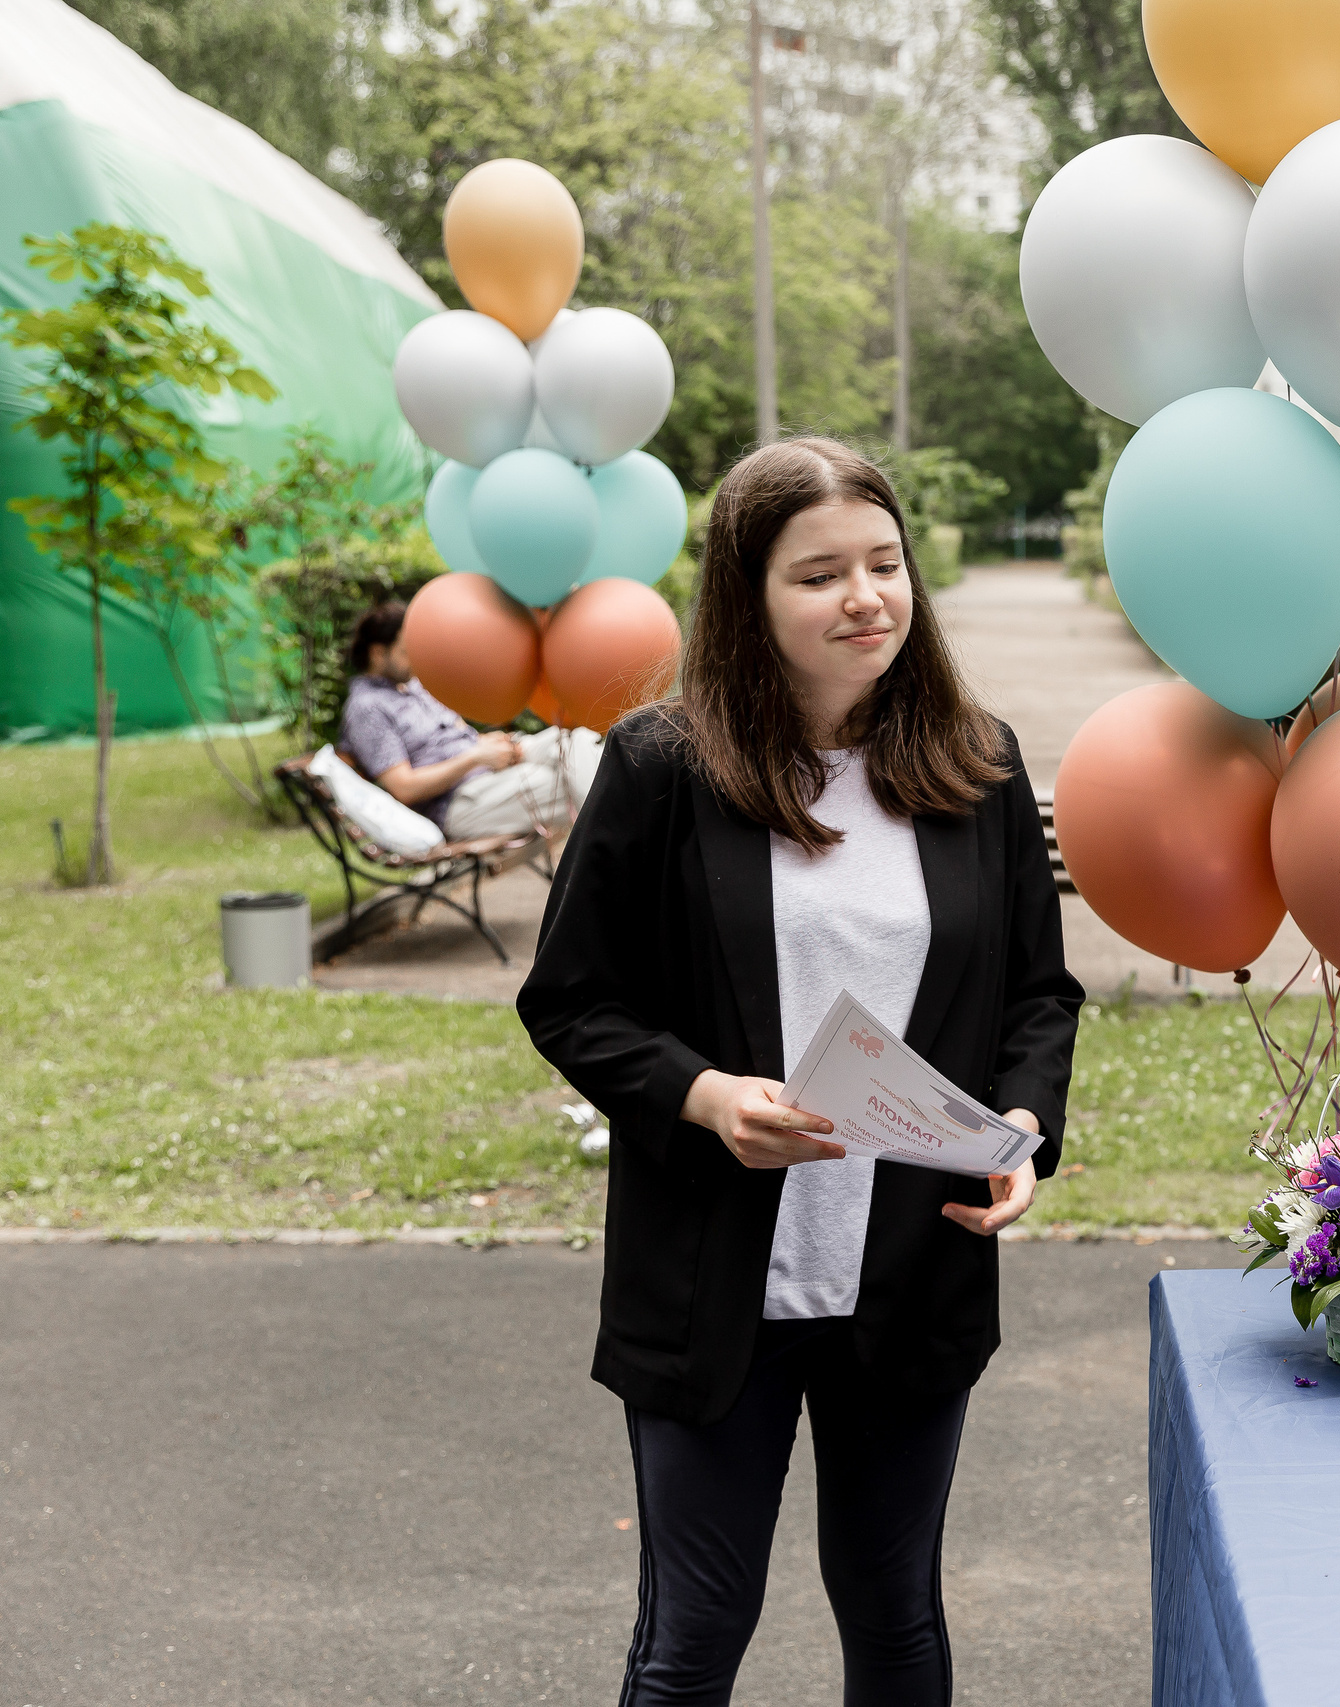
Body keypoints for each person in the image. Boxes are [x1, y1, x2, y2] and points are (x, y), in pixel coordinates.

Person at [515, 436, 1082, 1703]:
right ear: (748, 595)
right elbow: (570, 999)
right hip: (716, 1276)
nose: (866, 597)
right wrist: (704, 1096)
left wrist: (1022, 1128)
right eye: (819, 574)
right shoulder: (664, 765)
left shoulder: (974, 761)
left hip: (914, 1263)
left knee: (895, 1620)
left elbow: (1039, 994)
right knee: (693, 1638)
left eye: (884, 564)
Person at [337, 600, 602, 839]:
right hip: (461, 802)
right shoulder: (367, 709)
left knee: (576, 738)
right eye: (407, 652)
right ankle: (623, 853)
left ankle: (620, 849)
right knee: (573, 779)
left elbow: (454, 737)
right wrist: (475, 758)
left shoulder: (412, 685)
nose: (416, 661)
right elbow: (404, 787)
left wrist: (489, 746)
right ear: (377, 654)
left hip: (490, 772)